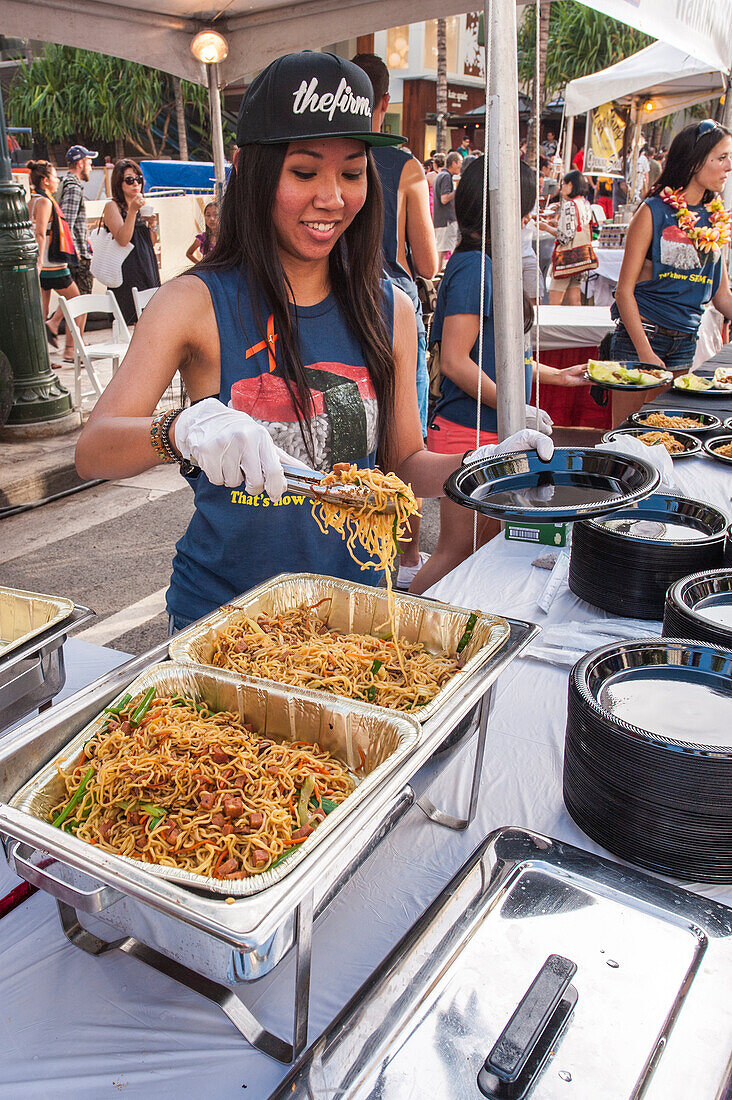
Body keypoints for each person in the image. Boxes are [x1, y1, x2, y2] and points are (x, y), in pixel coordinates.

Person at [75, 51, 548, 632]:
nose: (333, 197)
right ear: (254, 170)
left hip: (355, 618)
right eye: (304, 173)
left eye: (351, 173)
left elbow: (400, 462)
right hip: (224, 621)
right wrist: (180, 428)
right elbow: (94, 447)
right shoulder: (194, 302)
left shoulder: (391, 308)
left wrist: (477, 465)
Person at [416, 158, 585, 594]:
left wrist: (557, 377)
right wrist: (518, 409)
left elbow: (500, 357)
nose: (529, 219)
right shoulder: (476, 266)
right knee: (459, 552)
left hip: (488, 429)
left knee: (479, 550)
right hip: (468, 432)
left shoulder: (483, 261)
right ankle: (399, 628)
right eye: (525, 209)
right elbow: (455, 360)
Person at [352, 52, 438, 588]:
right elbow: (427, 262)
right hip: (390, 298)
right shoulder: (405, 165)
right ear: (384, 103)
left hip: (361, 305)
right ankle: (405, 559)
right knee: (398, 437)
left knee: (369, 441)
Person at [610, 119, 732, 378]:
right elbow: (623, 291)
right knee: (630, 420)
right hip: (642, 336)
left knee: (668, 419)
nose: (729, 166)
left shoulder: (714, 217)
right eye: (721, 158)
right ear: (695, 160)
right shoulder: (653, 211)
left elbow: (722, 297)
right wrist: (645, 353)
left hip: (685, 341)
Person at [27, 159, 80, 362]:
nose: (57, 181)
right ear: (45, 180)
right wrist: (40, 261)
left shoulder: (31, 200)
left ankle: (44, 360)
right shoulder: (45, 202)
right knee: (77, 299)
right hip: (50, 263)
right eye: (54, 177)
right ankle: (67, 345)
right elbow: (40, 233)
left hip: (42, 263)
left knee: (41, 310)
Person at [102, 159, 160, 325]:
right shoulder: (112, 206)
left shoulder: (141, 205)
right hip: (127, 268)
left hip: (146, 264)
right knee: (133, 317)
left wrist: (152, 225)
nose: (135, 184)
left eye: (139, 179)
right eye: (129, 180)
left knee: (150, 316)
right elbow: (123, 239)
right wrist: (133, 211)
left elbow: (150, 242)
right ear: (119, 183)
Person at [541, 170, 593, 306]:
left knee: (555, 298)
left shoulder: (570, 205)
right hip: (581, 257)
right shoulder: (585, 203)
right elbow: (577, 228)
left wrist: (546, 228)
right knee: (575, 299)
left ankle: (553, 327)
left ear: (570, 185)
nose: (561, 188)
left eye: (563, 184)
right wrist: (558, 224)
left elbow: (564, 237)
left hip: (567, 259)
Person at [60, 144, 97, 296]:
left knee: (75, 301)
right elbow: (67, 222)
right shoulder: (74, 187)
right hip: (77, 256)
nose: (91, 167)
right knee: (82, 300)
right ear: (80, 163)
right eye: (89, 162)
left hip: (74, 254)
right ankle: (55, 321)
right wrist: (75, 252)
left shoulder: (66, 183)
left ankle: (55, 321)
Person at [433, 151, 461, 268]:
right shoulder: (446, 176)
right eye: (460, 162)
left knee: (441, 250)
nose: (460, 165)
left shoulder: (440, 175)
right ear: (453, 163)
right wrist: (457, 191)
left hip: (440, 219)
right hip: (446, 220)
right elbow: (444, 198)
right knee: (444, 251)